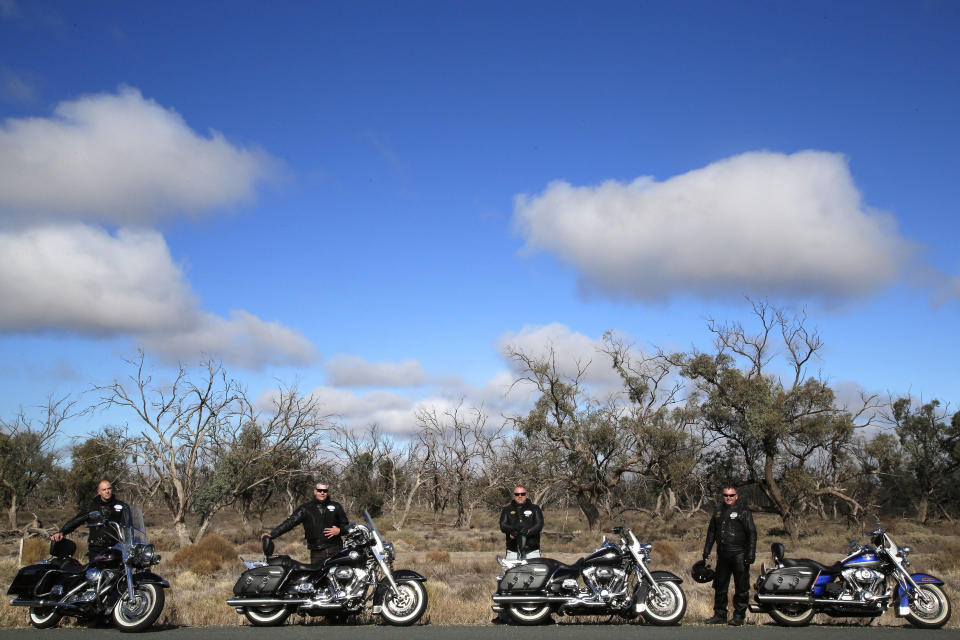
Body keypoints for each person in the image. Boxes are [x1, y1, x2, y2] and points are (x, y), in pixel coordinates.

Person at [702, 485, 757, 626]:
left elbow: (752, 533)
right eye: (726, 495)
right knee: (720, 586)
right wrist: (706, 550)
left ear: (736, 496)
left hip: (739, 554)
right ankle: (720, 615)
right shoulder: (718, 511)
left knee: (742, 587)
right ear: (722, 496)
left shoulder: (744, 511)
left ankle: (739, 616)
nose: (728, 498)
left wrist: (750, 553)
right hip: (723, 555)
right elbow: (711, 532)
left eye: (731, 495)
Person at [261, 482, 349, 565]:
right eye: (320, 490)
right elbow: (290, 522)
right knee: (317, 578)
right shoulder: (305, 508)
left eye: (325, 491)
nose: (322, 493)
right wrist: (272, 534)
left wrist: (339, 530)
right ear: (315, 491)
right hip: (317, 552)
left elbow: (346, 526)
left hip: (335, 550)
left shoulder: (336, 506)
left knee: (338, 575)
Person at [52, 480, 128, 561]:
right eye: (104, 489)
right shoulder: (91, 506)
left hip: (116, 546)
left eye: (109, 489)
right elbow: (76, 521)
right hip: (96, 548)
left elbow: (130, 524)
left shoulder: (121, 505)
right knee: (94, 571)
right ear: (99, 492)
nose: (107, 491)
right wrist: (62, 531)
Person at [499, 486, 544, 560]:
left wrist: (528, 531)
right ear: (514, 496)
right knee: (512, 571)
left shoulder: (535, 508)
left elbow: (539, 524)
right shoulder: (507, 509)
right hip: (513, 551)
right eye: (517, 494)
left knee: (532, 571)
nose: (520, 496)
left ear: (526, 495)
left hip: (532, 551)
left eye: (522, 494)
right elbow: (503, 525)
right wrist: (512, 531)